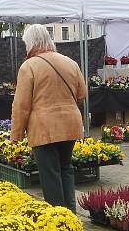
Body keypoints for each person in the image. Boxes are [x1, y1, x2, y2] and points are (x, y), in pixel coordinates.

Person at [11, 24, 87, 211]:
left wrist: (16, 135)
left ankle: (57, 218)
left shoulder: (29, 66)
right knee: (66, 169)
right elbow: (82, 94)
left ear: (30, 42)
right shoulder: (70, 62)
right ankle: (70, 213)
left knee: (50, 173)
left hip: (44, 128)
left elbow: (21, 106)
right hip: (70, 124)